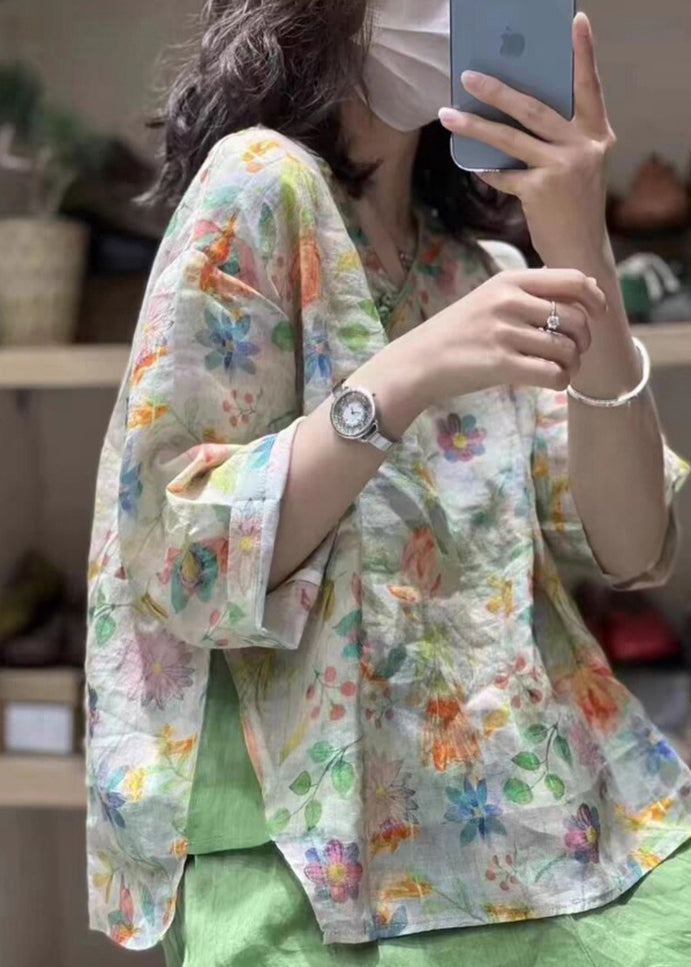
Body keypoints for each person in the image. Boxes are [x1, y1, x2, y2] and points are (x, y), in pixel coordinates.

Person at [85, 1, 691, 964]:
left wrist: (582, 247)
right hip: (322, 853)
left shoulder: (481, 270)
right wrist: (401, 378)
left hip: (539, 827)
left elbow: (630, 544)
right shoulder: (261, 182)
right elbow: (182, 560)